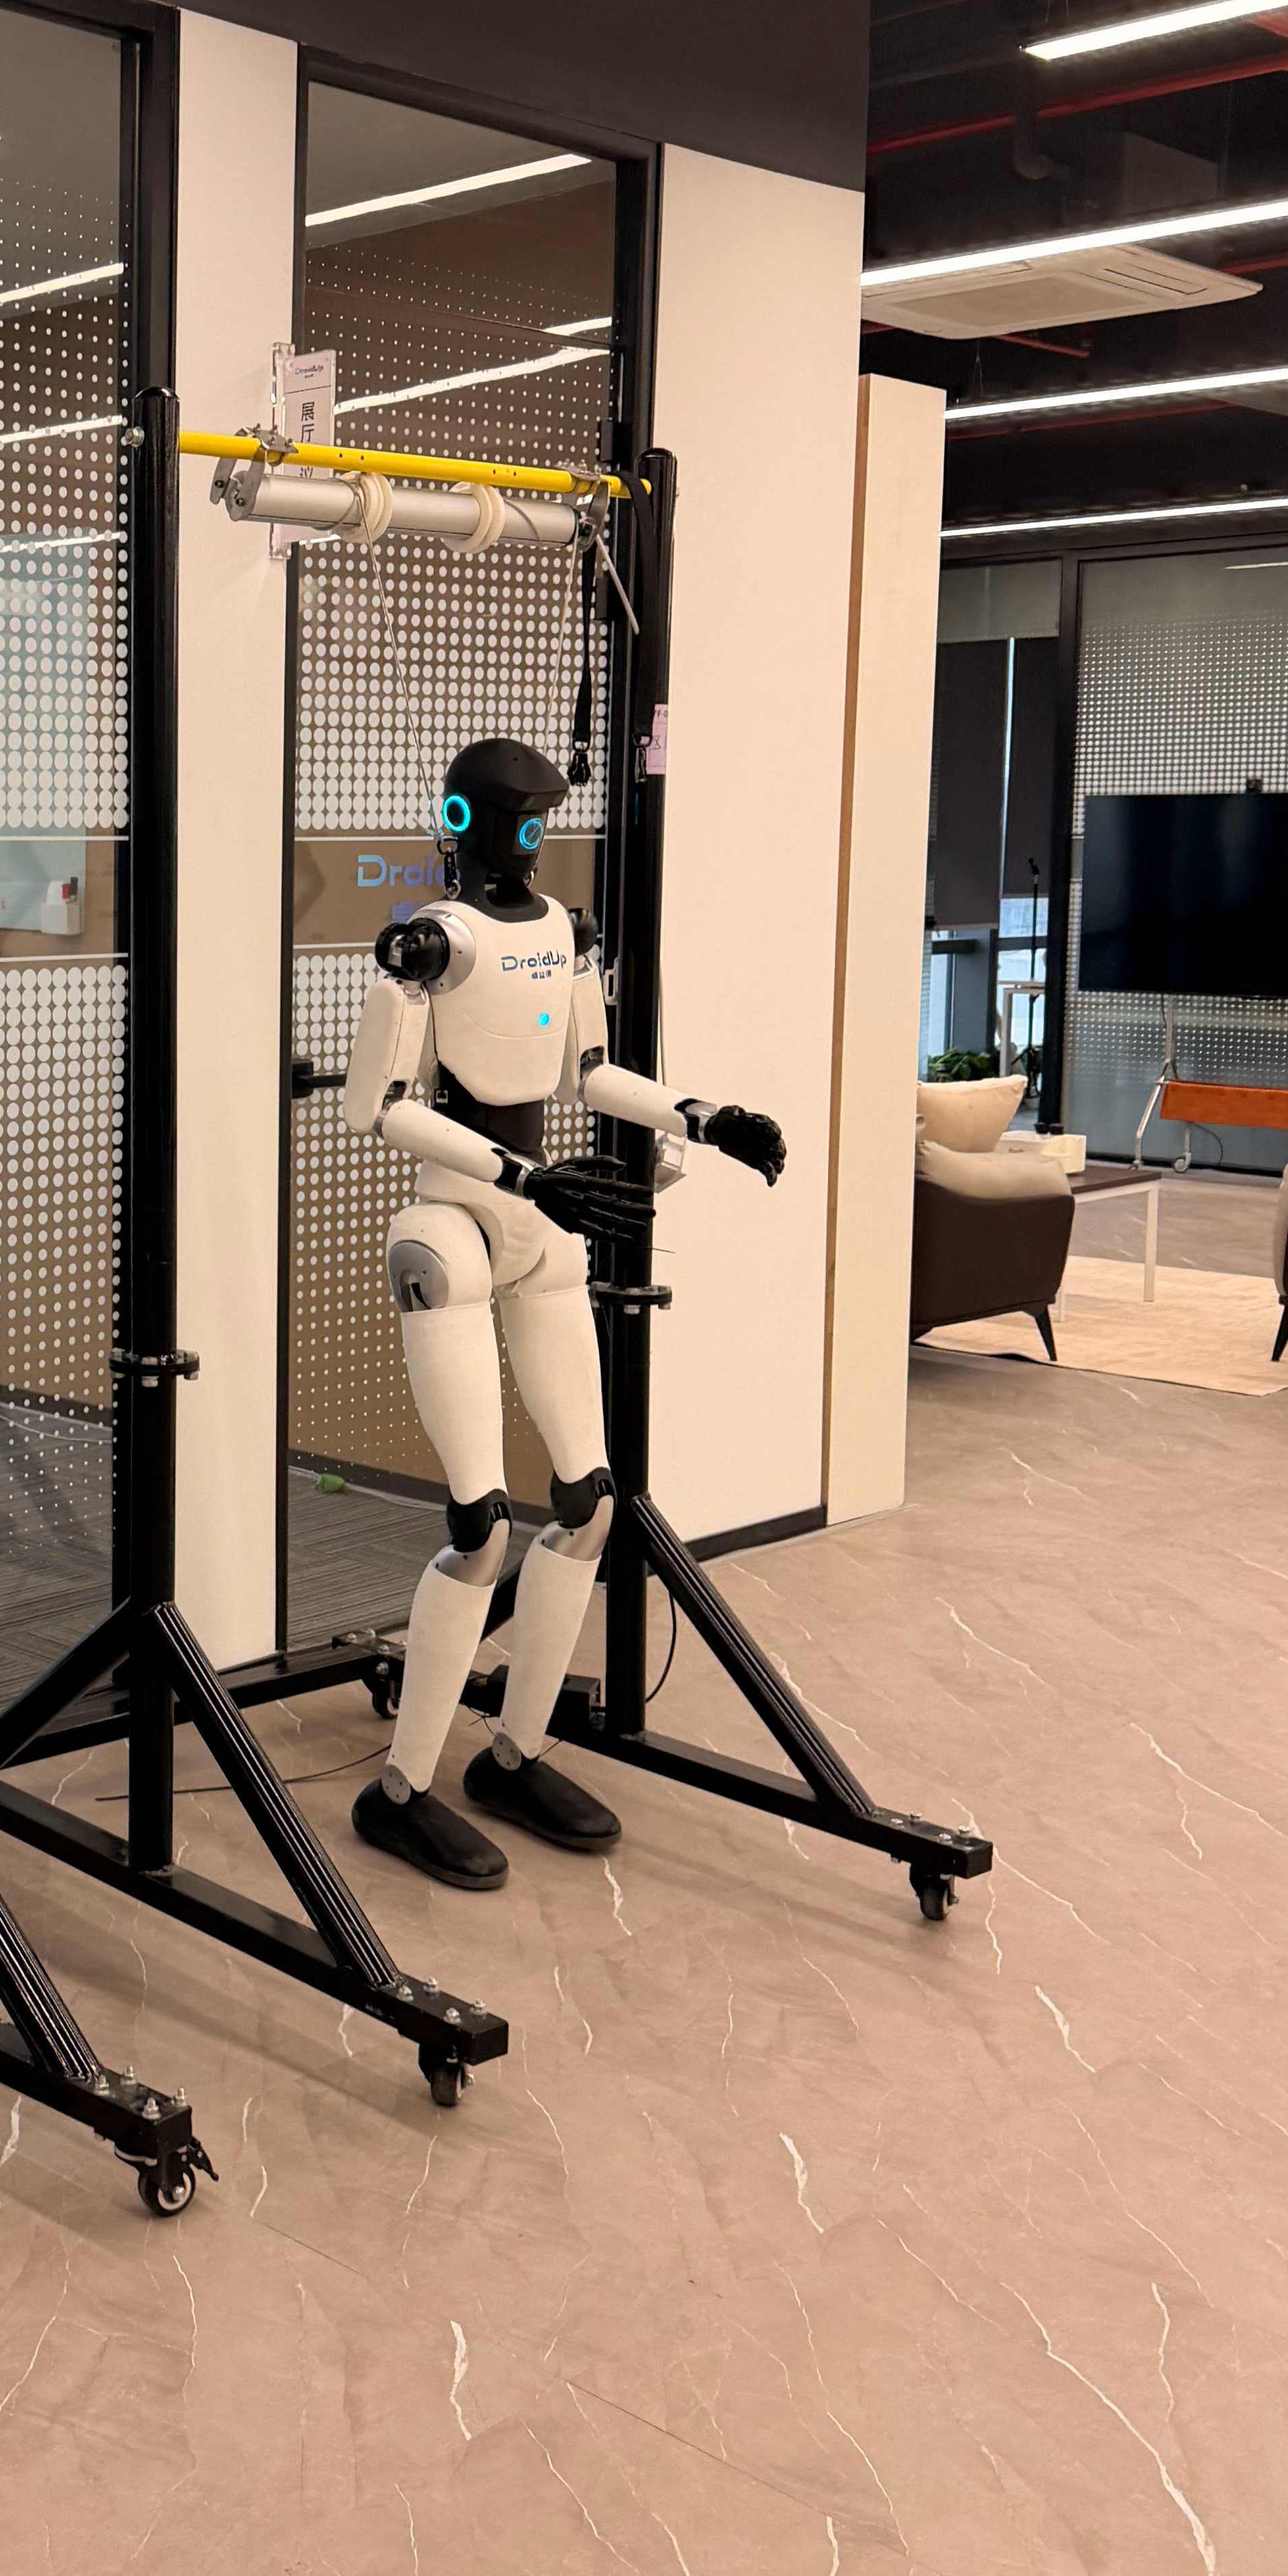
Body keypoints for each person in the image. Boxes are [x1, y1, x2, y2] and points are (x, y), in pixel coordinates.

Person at [343, 734, 784, 1888]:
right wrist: (522, 1176)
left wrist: (705, 1117)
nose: (531, 835)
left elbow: (590, 1073)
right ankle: (403, 1789)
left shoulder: (562, 934)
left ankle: (518, 1751)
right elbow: (375, 1107)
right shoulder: (427, 947)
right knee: (481, 1526)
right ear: (463, 819)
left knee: (588, 1505)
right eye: (516, 815)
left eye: (542, 816)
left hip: (543, 1225)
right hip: (455, 1222)